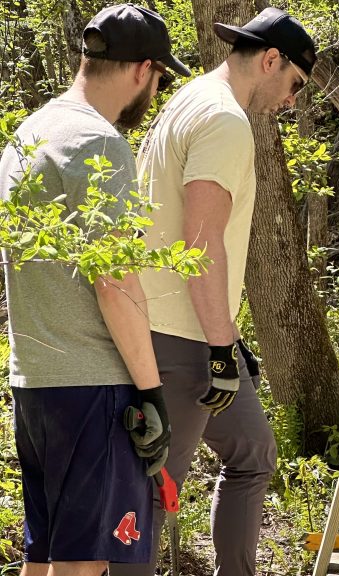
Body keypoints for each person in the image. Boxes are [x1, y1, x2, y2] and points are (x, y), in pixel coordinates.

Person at [107, 7, 315, 576]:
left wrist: (229, 340)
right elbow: (201, 244)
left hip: (188, 325)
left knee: (253, 453)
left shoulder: (191, 97)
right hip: (182, 336)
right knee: (151, 490)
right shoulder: (225, 120)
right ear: (271, 60)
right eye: (295, 84)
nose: (292, 99)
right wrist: (221, 349)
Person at [0, 4, 190, 575]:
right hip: (94, 388)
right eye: (160, 79)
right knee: (85, 564)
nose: (155, 93)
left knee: (46, 557)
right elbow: (115, 281)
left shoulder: (28, 135)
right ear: (143, 71)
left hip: (34, 382)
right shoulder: (100, 144)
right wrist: (152, 393)